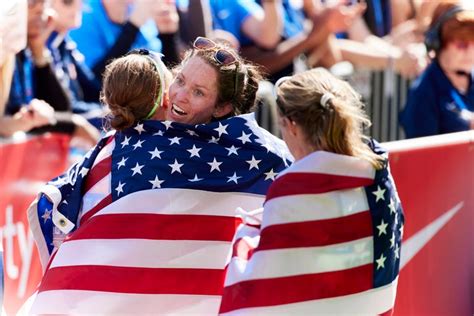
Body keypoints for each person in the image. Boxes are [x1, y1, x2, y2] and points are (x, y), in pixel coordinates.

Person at [28, 39, 292, 314]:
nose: (179, 95)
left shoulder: (266, 159)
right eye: (179, 80)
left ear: (222, 108)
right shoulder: (132, 147)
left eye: (198, 92)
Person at [220, 68, 405, 314]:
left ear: (291, 126)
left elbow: (260, 289)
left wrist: (246, 233)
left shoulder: (291, 189)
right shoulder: (379, 172)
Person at [400, 1, 474, 138]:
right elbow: (421, 152)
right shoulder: (424, 91)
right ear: (438, 42)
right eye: (462, 44)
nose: (471, 53)